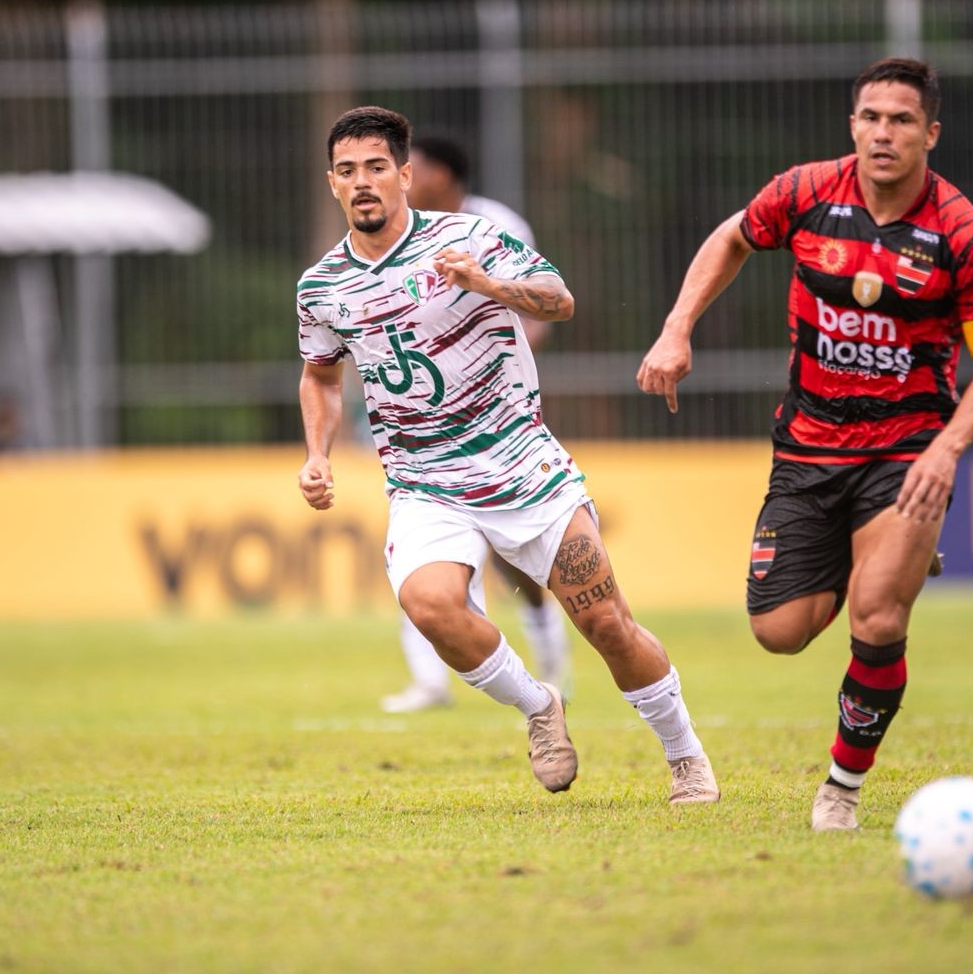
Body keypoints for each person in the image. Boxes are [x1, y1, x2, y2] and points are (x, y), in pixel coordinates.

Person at [297, 106, 718, 804]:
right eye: (347, 171)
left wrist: (486, 285)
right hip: (424, 481)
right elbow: (320, 373)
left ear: (405, 174)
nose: (362, 182)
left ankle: (685, 755)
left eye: (376, 167)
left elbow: (559, 301)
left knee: (606, 622)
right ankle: (537, 707)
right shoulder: (321, 286)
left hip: (523, 467)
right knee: (430, 606)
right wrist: (319, 453)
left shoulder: (471, 237)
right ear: (332, 184)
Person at [638, 59, 973, 829]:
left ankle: (841, 788)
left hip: (907, 450)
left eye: (902, 120)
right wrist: (677, 329)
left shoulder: (963, 234)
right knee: (778, 632)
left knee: (878, 618)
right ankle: (877, 552)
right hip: (809, 448)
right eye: (871, 117)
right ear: (853, 125)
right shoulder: (806, 193)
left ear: (930, 134)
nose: (884, 132)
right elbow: (730, 238)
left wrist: (947, 449)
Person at [373, 134, 572, 713]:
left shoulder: (493, 225)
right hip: (421, 422)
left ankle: (548, 644)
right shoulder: (393, 234)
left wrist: (494, 374)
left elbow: (535, 305)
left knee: (514, 554)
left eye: (417, 168)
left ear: (446, 176)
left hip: (495, 415)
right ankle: (430, 680)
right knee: (420, 550)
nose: (404, 178)